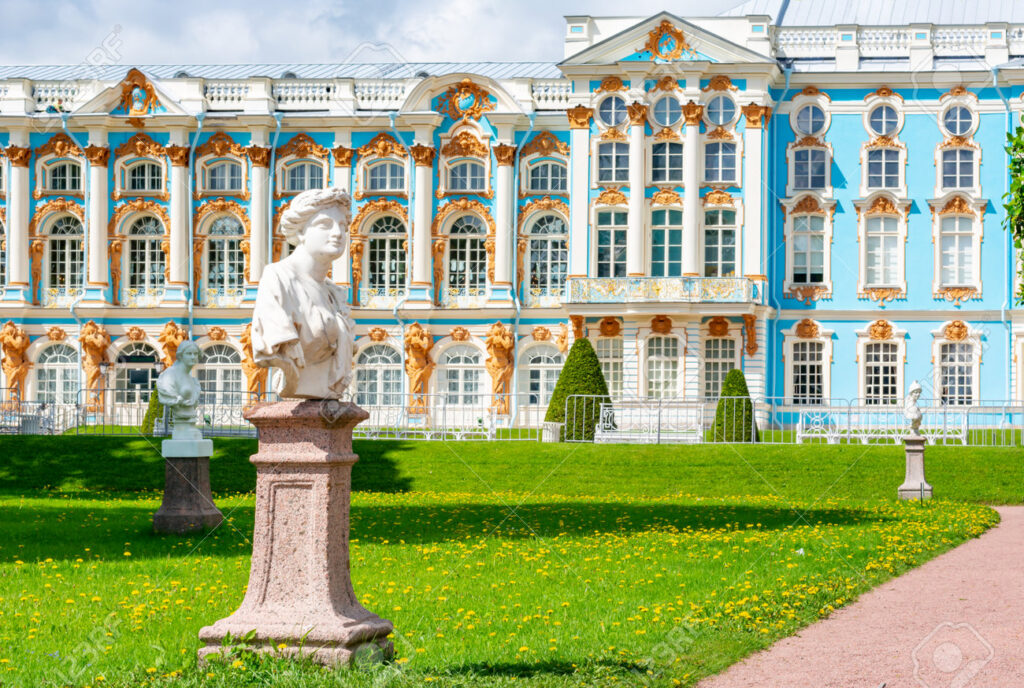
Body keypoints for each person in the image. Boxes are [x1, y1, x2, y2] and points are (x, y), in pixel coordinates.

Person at [251, 188, 355, 399]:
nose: (338, 233)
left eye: (343, 226)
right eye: (325, 225)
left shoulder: (335, 294)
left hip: (324, 393)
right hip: (298, 386)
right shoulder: (277, 279)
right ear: (300, 232)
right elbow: (275, 344)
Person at [156, 340, 202, 431]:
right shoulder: (170, 375)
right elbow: (168, 394)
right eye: (189, 354)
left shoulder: (192, 379)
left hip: (190, 424)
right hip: (181, 420)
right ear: (181, 356)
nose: (193, 357)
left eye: (195, 354)